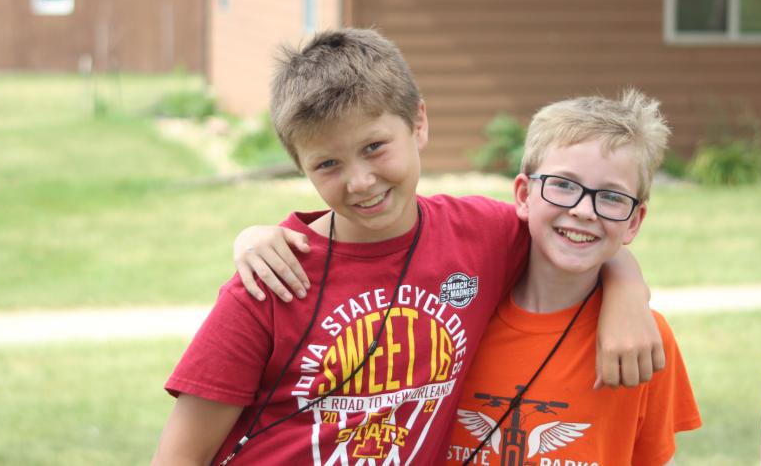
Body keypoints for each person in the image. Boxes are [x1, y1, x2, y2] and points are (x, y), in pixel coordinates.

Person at [152, 29, 662, 465]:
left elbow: (575, 227)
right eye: (327, 164)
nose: (359, 181)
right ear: (300, 167)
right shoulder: (275, 276)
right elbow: (180, 456)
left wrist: (626, 292)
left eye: (375, 147)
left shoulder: (480, 234)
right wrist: (249, 238)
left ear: (418, 122)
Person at [445, 91, 701, 465]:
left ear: (634, 222)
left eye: (611, 196)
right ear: (523, 194)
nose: (583, 210)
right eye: (563, 185)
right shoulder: (458, 320)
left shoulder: (644, 339)